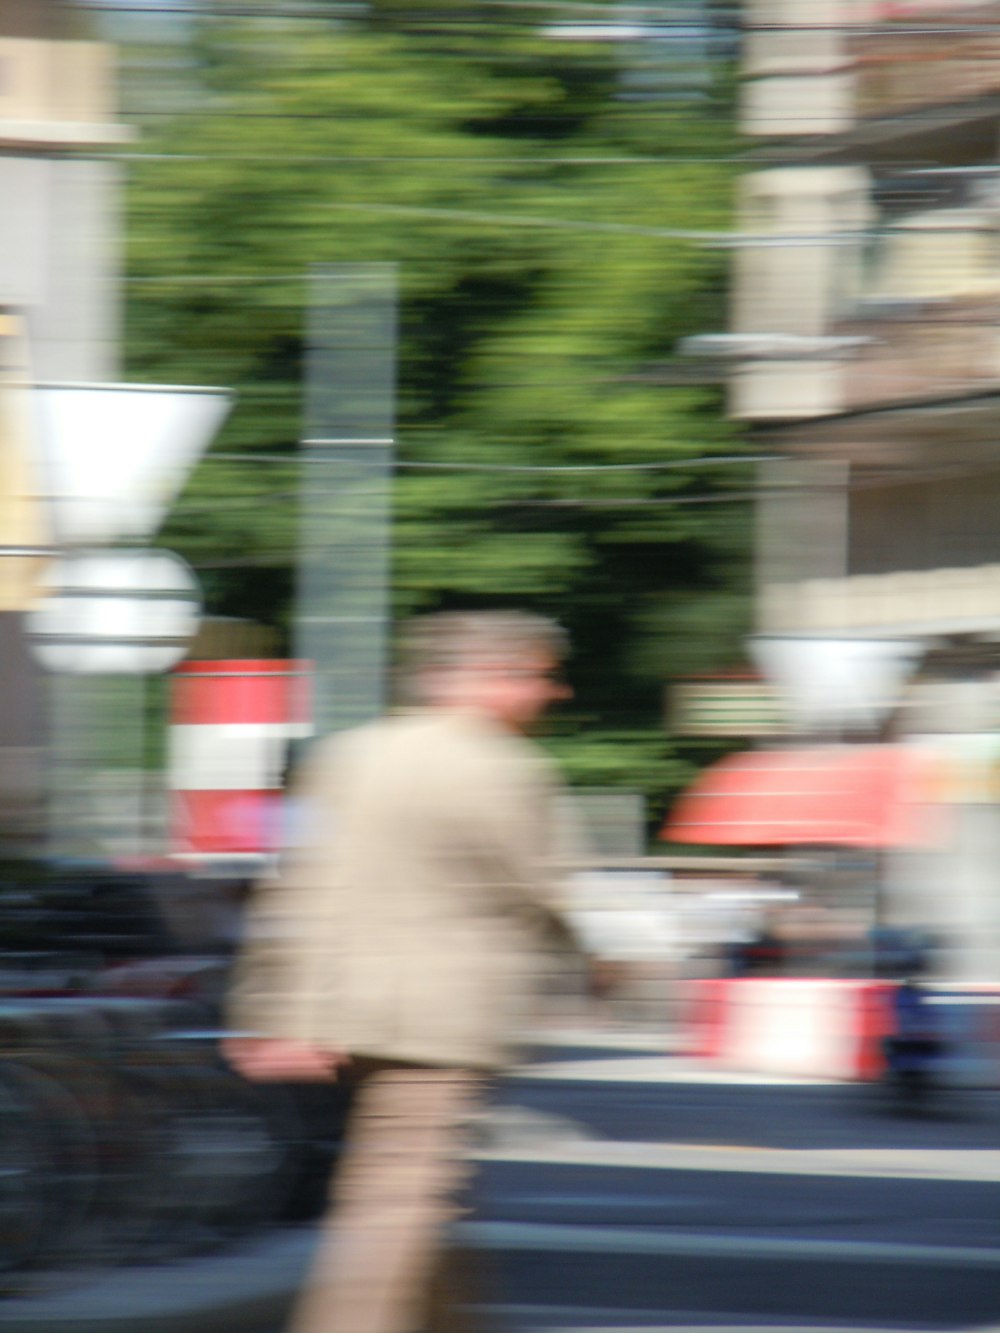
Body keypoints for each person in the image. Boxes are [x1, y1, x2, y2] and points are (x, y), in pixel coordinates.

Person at [223, 611, 582, 1333]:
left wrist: (269, 1010)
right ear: (495, 676)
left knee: (417, 1191)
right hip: (441, 1025)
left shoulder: (349, 756)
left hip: (341, 1012)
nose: (552, 693)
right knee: (398, 1203)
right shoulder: (505, 765)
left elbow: (293, 888)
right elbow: (545, 891)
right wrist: (588, 963)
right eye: (540, 676)